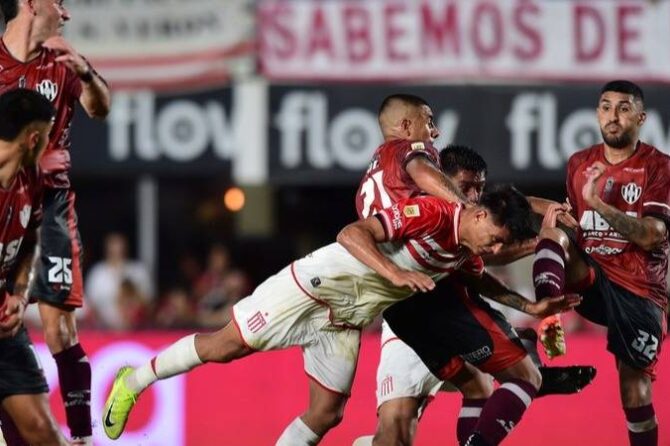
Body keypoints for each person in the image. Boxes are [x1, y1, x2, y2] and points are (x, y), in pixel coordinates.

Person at [102, 185, 563, 445]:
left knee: (326, 414)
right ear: (479, 215)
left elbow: (483, 281)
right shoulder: (431, 214)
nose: (496, 249)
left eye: (502, 245)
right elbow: (351, 233)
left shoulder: (466, 249)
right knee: (225, 347)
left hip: (345, 320)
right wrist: (395, 273)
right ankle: (134, 381)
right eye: (496, 239)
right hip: (312, 287)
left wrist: (530, 306)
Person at [354, 96, 594, 445]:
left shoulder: (399, 185)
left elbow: (489, 241)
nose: (474, 197)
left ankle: (525, 370)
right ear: (441, 178)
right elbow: (486, 247)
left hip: (421, 307)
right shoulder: (429, 192)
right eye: (466, 187)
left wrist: (545, 214)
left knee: (482, 386)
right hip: (421, 307)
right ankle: (527, 370)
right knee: (394, 434)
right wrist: (542, 238)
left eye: (479, 188)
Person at [531, 80, 668, 446]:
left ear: (640, 118)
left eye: (623, 109)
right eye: (606, 107)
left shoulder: (658, 166)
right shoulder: (580, 163)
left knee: (634, 392)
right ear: (596, 113)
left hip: (640, 291)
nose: (613, 116)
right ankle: (547, 311)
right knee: (553, 234)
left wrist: (599, 204)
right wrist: (553, 216)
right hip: (593, 279)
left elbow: (653, 236)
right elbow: (576, 226)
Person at [0, 1, 111, 443]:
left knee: (59, 329)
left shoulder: (63, 63)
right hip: (4, 196)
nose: (65, 13)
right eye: (58, 2)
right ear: (30, 3)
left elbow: (100, 109)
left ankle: (82, 437)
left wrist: (86, 72)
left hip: (49, 204)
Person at [0, 88, 69, 445]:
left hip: (4, 325)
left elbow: (29, 242)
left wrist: (20, 293)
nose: (50, 145)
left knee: (43, 432)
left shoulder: (32, 179)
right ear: (32, 138)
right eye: (47, 135)